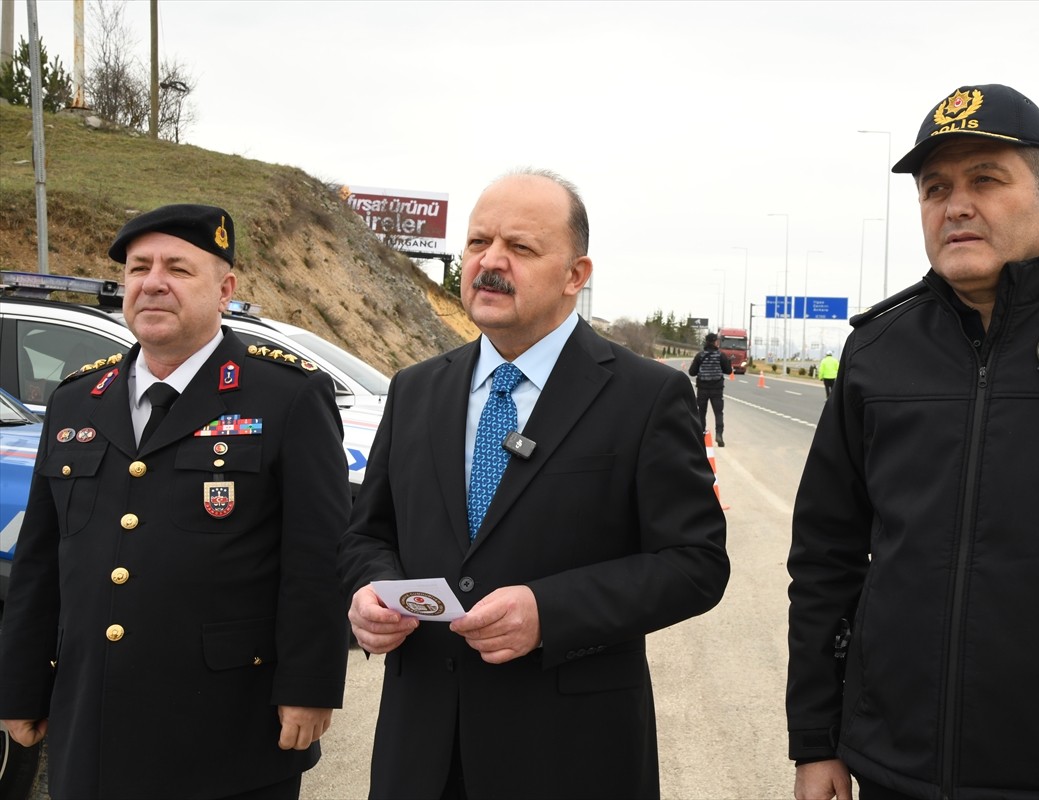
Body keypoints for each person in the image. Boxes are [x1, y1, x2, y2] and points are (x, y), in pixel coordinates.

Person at [787, 84, 1039, 800]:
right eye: (935, 188)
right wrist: (816, 739)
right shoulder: (878, 349)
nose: (956, 206)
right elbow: (826, 557)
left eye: (985, 179)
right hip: (895, 768)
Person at [339, 168, 730, 800]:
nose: (490, 262)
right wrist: (368, 592)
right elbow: (367, 534)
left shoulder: (645, 396)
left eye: (520, 247)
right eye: (478, 242)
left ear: (576, 275)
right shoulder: (415, 389)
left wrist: (550, 613)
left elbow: (695, 563)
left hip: (570, 754)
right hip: (420, 753)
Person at [0, 205, 350, 800]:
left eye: (178, 269)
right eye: (139, 268)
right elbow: (39, 562)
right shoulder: (78, 399)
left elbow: (317, 557)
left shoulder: (286, 396)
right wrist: (20, 685)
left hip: (225, 726)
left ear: (225, 290)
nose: (153, 282)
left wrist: (309, 686)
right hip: (94, 722)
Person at [688, 331, 732, 445]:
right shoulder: (721, 355)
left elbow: (692, 372)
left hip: (702, 389)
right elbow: (728, 371)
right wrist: (729, 362)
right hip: (717, 389)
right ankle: (719, 435)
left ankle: (701, 436)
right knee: (718, 413)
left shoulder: (700, 355)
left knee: (701, 413)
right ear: (715, 342)